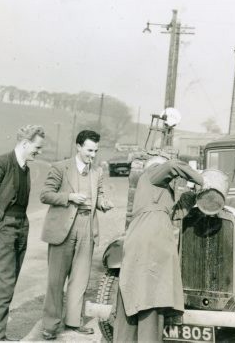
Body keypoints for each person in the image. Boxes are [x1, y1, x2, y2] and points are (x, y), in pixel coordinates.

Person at [114, 156, 204, 342]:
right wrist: (201, 178)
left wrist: (192, 192)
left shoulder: (157, 193)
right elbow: (172, 165)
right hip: (151, 242)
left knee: (132, 294)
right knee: (152, 298)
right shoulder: (151, 175)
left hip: (142, 239)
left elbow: (176, 212)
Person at [40, 130, 114, 340]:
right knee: (56, 281)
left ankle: (73, 322)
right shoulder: (59, 168)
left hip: (87, 230)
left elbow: (98, 196)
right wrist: (70, 196)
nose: (93, 155)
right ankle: (50, 326)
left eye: (96, 151)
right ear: (79, 146)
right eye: (89, 150)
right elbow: (45, 195)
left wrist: (103, 204)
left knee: (80, 280)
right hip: (63, 230)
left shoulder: (97, 172)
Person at [0, 125, 45, 341]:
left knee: (3, 284)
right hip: (4, 230)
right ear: (25, 143)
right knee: (3, 285)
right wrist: (0, 224)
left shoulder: (25, 168)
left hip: (20, 228)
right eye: (37, 147)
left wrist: (20, 226)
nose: (39, 152)